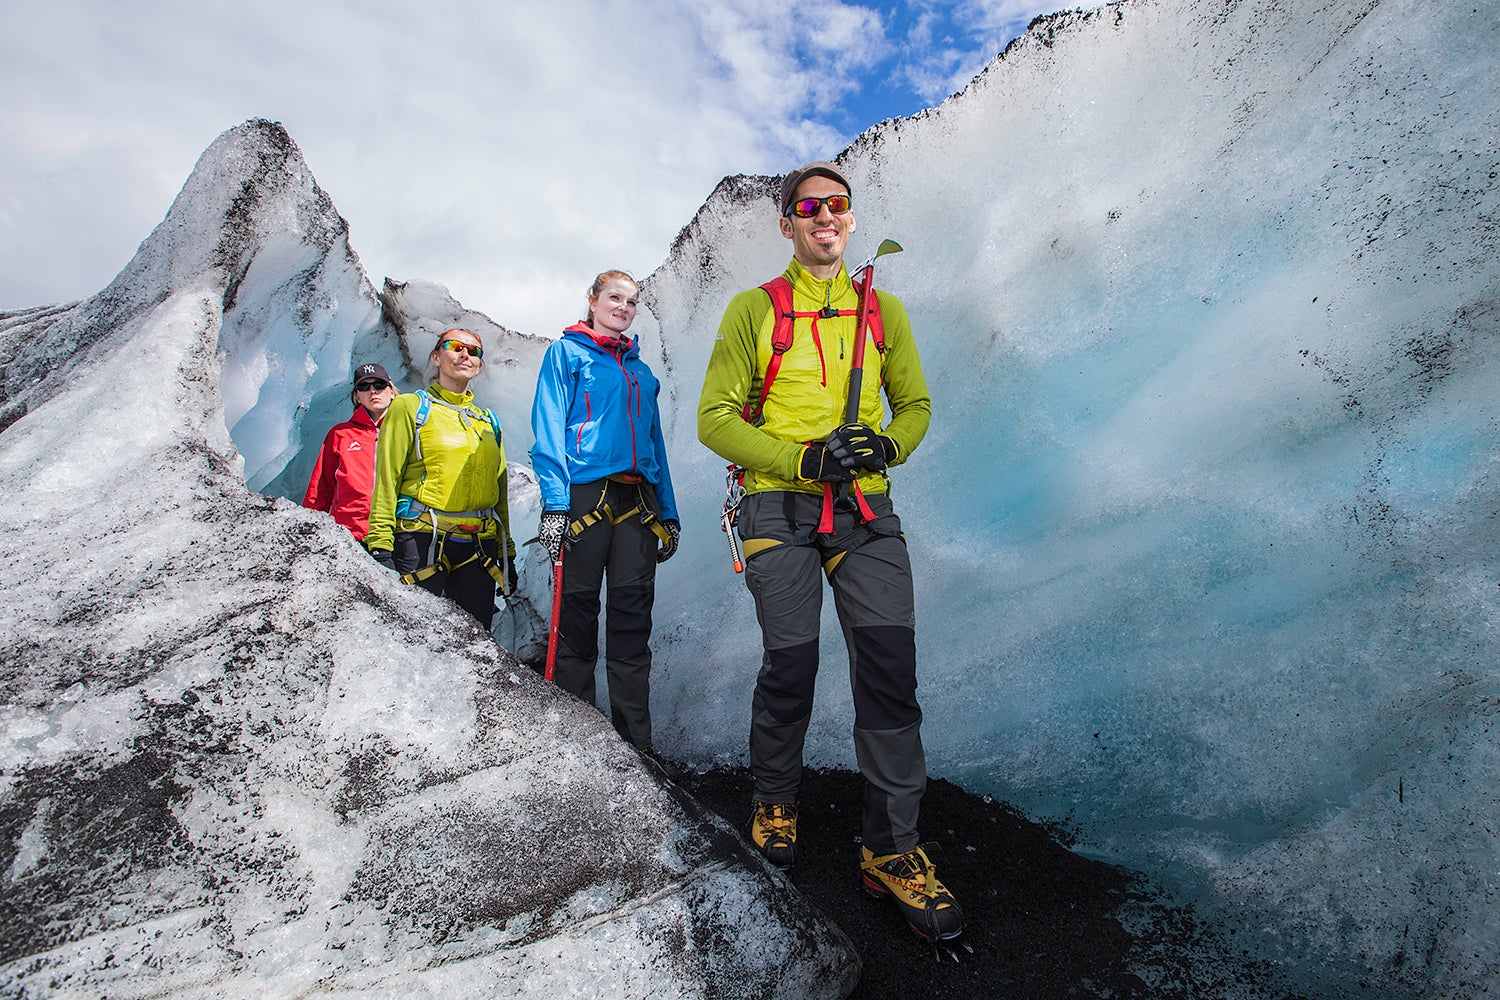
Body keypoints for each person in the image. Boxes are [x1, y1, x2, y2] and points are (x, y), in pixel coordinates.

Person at [697, 162, 962, 941]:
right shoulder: (756, 311)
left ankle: (892, 848)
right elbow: (716, 418)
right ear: (787, 225)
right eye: (808, 207)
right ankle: (775, 796)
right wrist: (804, 460)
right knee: (792, 661)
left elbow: (913, 405)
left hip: (865, 509)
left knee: (888, 668)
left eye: (837, 206)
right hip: (779, 505)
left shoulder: (885, 313)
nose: (825, 216)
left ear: (850, 221)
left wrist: (887, 442)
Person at [531, 270, 680, 754]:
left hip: (638, 504)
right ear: (592, 299)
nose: (623, 307)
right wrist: (555, 505)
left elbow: (655, 443)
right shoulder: (567, 354)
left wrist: (670, 512)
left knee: (632, 622)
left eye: (632, 301)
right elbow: (549, 428)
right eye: (615, 297)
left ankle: (636, 747)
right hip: (584, 498)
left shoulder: (641, 371)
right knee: (577, 617)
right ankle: (578, 744)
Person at [366, 329, 516, 629]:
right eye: (456, 347)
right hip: (423, 539)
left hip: (478, 545)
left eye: (474, 351)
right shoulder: (410, 408)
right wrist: (380, 543)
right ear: (436, 357)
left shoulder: (488, 421)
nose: (465, 354)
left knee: (477, 645)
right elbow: (387, 477)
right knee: (413, 638)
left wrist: (506, 551)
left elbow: (498, 489)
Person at [302, 362, 396, 543]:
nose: (372, 391)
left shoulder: (406, 431)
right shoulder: (341, 434)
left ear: (391, 391)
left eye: (379, 385)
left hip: (394, 532)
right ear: (357, 396)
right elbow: (320, 488)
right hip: (349, 533)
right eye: (364, 386)